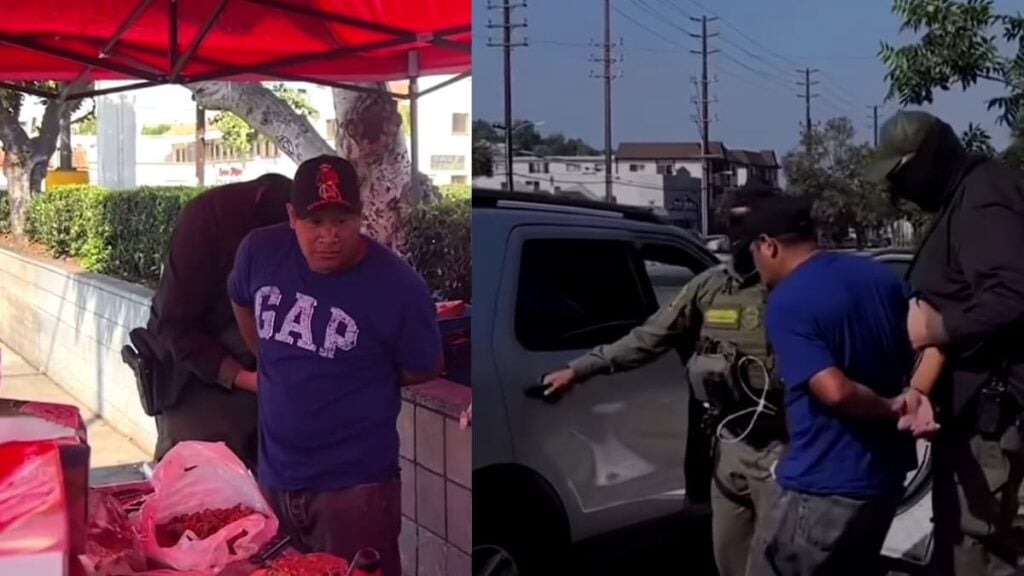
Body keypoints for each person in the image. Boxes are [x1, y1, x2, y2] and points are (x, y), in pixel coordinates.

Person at [543, 179, 786, 576]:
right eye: (733, 224)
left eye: (748, 225)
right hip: (729, 448)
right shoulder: (709, 288)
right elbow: (647, 338)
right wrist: (579, 369)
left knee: (777, 563)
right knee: (729, 558)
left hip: (783, 446)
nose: (738, 237)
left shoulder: (790, 290)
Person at [227, 154, 443, 576]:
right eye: (315, 222)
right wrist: (272, 359)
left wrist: (361, 377)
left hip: (356, 489)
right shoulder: (259, 252)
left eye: (342, 221)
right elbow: (241, 300)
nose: (329, 236)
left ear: (361, 217)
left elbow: (425, 365)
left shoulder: (398, 286)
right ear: (292, 217)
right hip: (274, 475)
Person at [866, 109, 1024, 575]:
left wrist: (932, 329)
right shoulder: (966, 195)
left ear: (929, 158)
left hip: (993, 421)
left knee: (976, 552)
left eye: (901, 174)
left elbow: (1013, 294)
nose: (898, 188)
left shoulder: (983, 198)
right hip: (972, 420)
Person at [739, 195, 918, 576]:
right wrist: (914, 394)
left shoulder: (788, 301)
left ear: (768, 245)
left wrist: (891, 405)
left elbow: (834, 391)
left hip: (823, 484)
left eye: (754, 249)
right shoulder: (878, 277)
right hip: (884, 480)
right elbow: (928, 335)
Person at [147, 173, 292, 467]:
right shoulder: (207, 218)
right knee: (201, 487)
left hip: (274, 385)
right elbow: (175, 326)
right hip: (194, 376)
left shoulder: (311, 233)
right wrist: (245, 379)